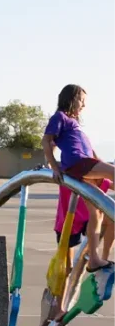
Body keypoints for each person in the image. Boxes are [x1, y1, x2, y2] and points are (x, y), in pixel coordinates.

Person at [42, 84, 115, 273]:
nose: (83, 105)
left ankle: (94, 260)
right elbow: (47, 140)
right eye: (81, 101)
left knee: (96, 213)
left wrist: (99, 161)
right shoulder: (60, 117)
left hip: (84, 162)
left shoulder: (73, 124)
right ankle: (96, 257)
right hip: (77, 163)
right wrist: (54, 166)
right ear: (71, 99)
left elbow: (87, 149)